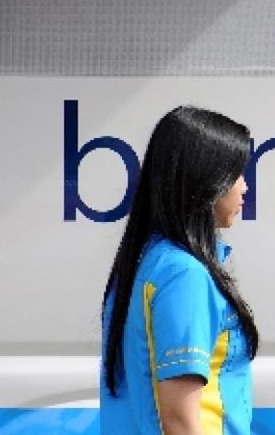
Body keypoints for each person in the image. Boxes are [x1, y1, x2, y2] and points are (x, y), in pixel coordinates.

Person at [100, 106, 259, 435]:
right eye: (236, 174)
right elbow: (180, 422)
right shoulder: (184, 274)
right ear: (207, 179)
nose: (244, 187)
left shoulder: (145, 261)